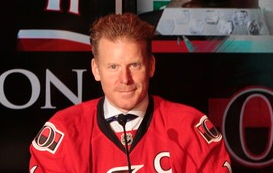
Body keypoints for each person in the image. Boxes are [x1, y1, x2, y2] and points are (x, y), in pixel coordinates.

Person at [29, 13, 232, 172]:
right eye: (113, 67)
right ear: (96, 69)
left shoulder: (189, 128)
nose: (125, 79)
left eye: (134, 65)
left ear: (151, 66)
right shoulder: (65, 132)